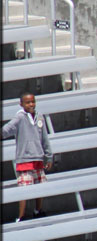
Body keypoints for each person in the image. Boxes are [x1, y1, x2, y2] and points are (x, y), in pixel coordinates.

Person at [2, 92, 53, 222]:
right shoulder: (19, 118)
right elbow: (6, 130)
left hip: (38, 158)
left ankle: (38, 210)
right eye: (28, 102)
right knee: (24, 189)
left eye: (33, 101)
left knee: (40, 188)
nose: (31, 104)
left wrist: (48, 156)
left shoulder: (39, 117)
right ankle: (21, 216)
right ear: (21, 104)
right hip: (24, 159)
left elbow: (44, 138)